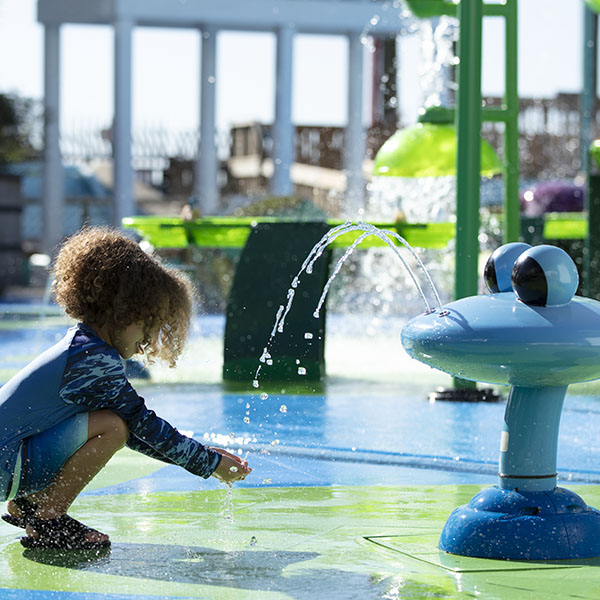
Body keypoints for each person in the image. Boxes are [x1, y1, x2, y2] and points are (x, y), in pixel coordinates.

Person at [0, 227, 251, 551]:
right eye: (146, 322)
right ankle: (49, 519)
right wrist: (210, 464)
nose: (148, 338)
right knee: (112, 426)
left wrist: (206, 459)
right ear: (121, 312)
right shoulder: (94, 360)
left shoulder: (82, 348)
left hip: (10, 460)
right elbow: (140, 424)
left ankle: (33, 504)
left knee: (113, 424)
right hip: (6, 463)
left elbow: (138, 435)